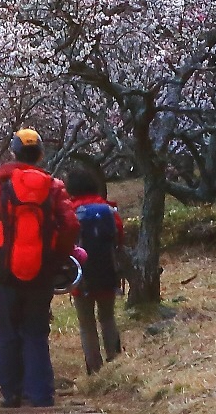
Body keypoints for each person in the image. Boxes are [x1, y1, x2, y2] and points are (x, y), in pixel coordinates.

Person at [0, 128, 76, 409]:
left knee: (5, 334)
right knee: (36, 332)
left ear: (12, 152)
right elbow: (72, 225)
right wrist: (56, 255)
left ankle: (11, 394)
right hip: (41, 271)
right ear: (39, 155)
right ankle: (41, 396)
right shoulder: (52, 185)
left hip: (3, 271)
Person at [61, 161, 123, 376]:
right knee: (108, 317)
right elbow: (119, 237)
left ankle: (94, 370)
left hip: (81, 277)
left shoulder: (70, 211)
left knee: (86, 324)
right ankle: (116, 362)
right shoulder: (108, 209)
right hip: (108, 271)